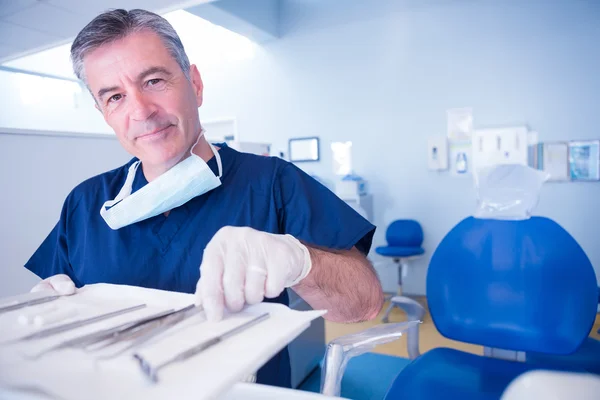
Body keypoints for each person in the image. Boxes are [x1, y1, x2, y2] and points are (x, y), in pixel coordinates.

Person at [24, 8, 384, 388]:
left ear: (194, 84)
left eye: (154, 81)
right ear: (103, 113)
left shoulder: (271, 183)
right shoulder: (85, 204)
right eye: (115, 97)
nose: (141, 111)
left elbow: (364, 304)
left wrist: (301, 261)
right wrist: (49, 312)